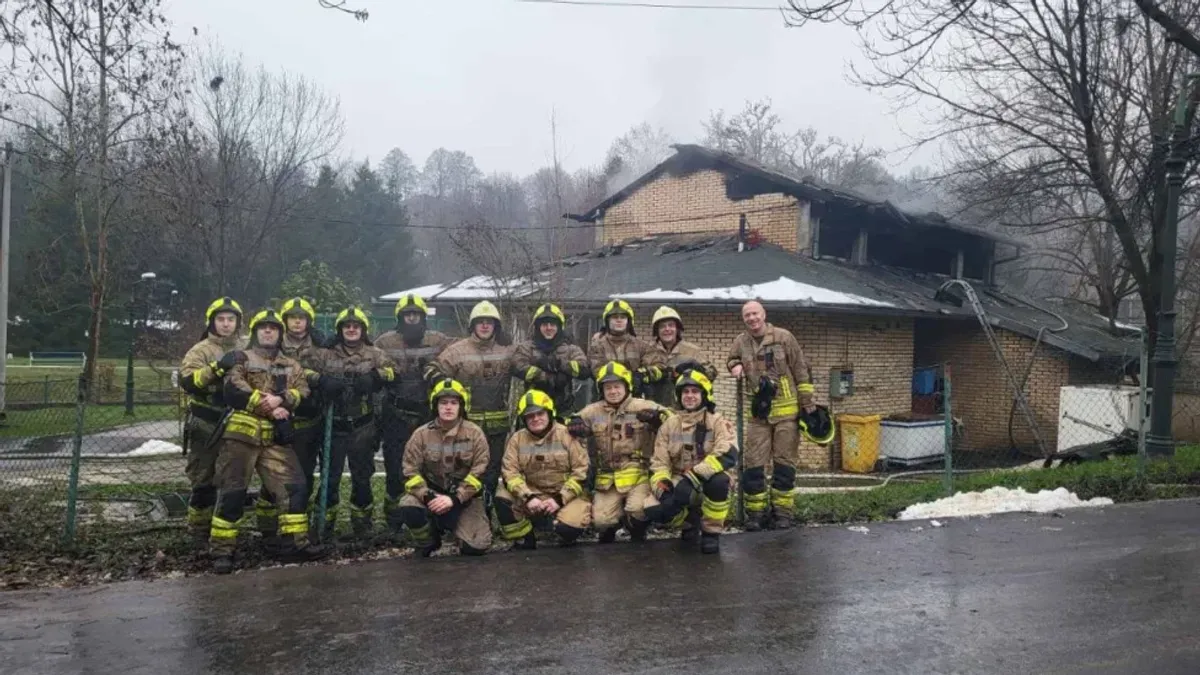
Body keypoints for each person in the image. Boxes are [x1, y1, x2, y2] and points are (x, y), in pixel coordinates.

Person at [208, 309, 327, 573]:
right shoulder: (242, 358)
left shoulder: (291, 364)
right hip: (242, 437)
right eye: (262, 327)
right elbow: (233, 389)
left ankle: (294, 545)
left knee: (295, 487)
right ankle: (222, 552)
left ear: (280, 333)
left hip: (276, 438)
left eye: (273, 328)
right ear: (255, 332)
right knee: (232, 492)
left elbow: (303, 390)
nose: (268, 331)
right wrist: (272, 407)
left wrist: (283, 399)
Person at [307, 306, 397, 541]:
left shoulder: (374, 353)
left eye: (356, 326)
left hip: (363, 426)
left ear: (363, 330)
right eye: (347, 326)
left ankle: (362, 526)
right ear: (340, 330)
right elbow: (302, 371)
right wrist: (320, 380)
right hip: (333, 425)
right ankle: (323, 525)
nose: (351, 330)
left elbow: (394, 371)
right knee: (330, 478)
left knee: (362, 478)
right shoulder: (325, 354)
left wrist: (376, 377)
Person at [726, 300, 815, 530]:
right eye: (747, 315)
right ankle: (756, 514)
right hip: (758, 415)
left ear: (764, 314)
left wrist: (808, 405)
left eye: (755, 313)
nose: (752, 318)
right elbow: (731, 359)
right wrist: (734, 365)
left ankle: (782, 514)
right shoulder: (741, 341)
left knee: (784, 465)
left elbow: (801, 371)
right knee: (754, 464)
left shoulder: (784, 337)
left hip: (787, 414)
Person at [374, 293, 455, 537]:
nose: (412, 319)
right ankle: (394, 519)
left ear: (423, 317)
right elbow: (368, 357)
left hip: (427, 416)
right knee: (395, 469)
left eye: (416, 315)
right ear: (399, 318)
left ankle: (431, 515)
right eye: (408, 315)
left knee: (432, 466)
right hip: (396, 415)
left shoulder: (438, 340)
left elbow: (463, 349)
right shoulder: (385, 342)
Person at [567, 361, 670, 543]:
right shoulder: (594, 410)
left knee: (639, 510)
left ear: (627, 386)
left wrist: (657, 420)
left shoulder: (642, 405)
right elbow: (573, 420)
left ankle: (636, 529)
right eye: (608, 388)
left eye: (617, 386)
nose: (613, 391)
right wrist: (574, 423)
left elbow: (672, 420)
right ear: (602, 390)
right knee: (601, 521)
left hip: (639, 473)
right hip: (609, 477)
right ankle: (612, 525)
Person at [424, 300, 516, 496]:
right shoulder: (457, 351)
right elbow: (431, 370)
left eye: (489, 322)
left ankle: (486, 513)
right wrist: (445, 383)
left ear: (496, 326)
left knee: (491, 473)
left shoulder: (507, 350)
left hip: (496, 428)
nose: (484, 325)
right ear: (472, 325)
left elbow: (527, 359)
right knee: (463, 470)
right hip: (465, 426)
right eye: (480, 321)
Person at [177, 296, 246, 546]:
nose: (226, 324)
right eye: (221, 319)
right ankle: (198, 530)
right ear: (212, 322)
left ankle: (225, 534)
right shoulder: (201, 350)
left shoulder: (247, 346)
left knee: (232, 480)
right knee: (203, 481)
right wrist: (217, 368)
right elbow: (188, 382)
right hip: (206, 424)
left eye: (231, 319)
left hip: (238, 424)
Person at [643, 371, 737, 554]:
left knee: (719, 482)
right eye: (685, 392)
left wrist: (693, 477)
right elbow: (659, 464)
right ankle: (690, 522)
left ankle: (711, 533)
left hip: (707, 479)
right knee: (653, 508)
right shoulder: (669, 425)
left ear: (704, 395)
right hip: (678, 479)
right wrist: (664, 490)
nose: (690, 396)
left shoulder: (717, 422)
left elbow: (728, 453)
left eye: (695, 391)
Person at [398, 378, 492, 557]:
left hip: (465, 499)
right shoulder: (421, 435)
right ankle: (428, 540)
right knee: (408, 504)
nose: (448, 407)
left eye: (454, 403)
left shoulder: (475, 434)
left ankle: (460, 531)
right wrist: (427, 496)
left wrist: (455, 499)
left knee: (477, 547)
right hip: (432, 496)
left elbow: (481, 472)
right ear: (435, 406)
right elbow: (409, 471)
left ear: (461, 406)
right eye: (443, 403)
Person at [494, 390, 591, 550]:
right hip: (533, 494)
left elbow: (582, 472)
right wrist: (528, 497)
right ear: (524, 419)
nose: (536, 419)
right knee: (502, 497)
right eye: (530, 416)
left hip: (568, 495)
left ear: (549, 413)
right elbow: (509, 473)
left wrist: (560, 499)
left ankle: (561, 530)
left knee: (568, 529)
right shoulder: (517, 439)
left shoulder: (567, 434)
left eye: (540, 413)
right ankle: (525, 537)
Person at [511, 303, 590, 416]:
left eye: (552, 324)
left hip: (564, 410)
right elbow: (516, 366)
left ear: (559, 327)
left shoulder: (571, 349)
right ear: (538, 327)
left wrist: (561, 365)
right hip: (533, 412)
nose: (549, 328)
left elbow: (584, 369)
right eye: (544, 324)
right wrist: (542, 376)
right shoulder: (526, 348)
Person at [587, 299, 665, 398]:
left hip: (635, 399)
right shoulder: (597, 347)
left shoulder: (642, 346)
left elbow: (658, 368)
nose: (619, 320)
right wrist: (628, 377)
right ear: (607, 321)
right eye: (615, 317)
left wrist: (642, 375)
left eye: (623, 317)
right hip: (606, 400)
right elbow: (597, 371)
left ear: (629, 321)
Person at [647, 305, 717, 408]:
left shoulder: (692, 351)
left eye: (671, 325)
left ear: (677, 328)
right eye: (662, 326)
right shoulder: (648, 351)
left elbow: (712, 374)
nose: (667, 329)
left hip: (684, 411)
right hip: (656, 408)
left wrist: (697, 368)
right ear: (656, 331)